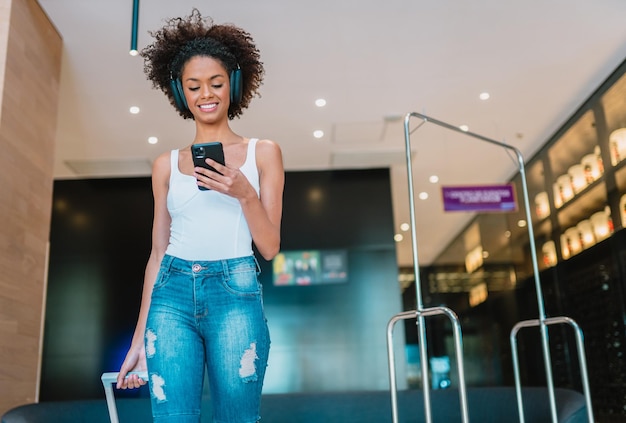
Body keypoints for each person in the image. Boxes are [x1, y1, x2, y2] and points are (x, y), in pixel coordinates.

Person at [115, 8, 284, 423]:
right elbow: (157, 253)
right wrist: (137, 341)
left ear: (234, 85)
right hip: (170, 295)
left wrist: (245, 194)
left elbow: (270, 247)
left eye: (216, 83)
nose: (205, 94)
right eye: (193, 86)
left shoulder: (264, 152)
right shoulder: (164, 165)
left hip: (236, 291)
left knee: (238, 419)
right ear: (180, 93)